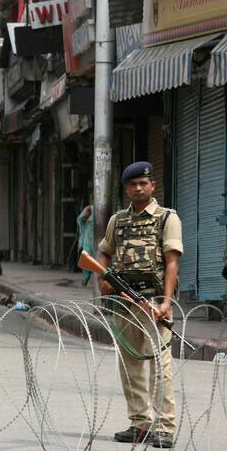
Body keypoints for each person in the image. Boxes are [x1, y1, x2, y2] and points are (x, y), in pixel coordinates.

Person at [97, 161, 181, 448]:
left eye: (143, 183)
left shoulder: (167, 218)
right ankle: (140, 423)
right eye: (133, 184)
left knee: (160, 364)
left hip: (154, 301)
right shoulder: (117, 220)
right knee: (130, 363)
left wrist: (167, 302)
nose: (138, 188)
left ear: (152, 185)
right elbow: (104, 253)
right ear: (126, 188)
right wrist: (103, 280)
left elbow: (172, 262)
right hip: (124, 303)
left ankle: (165, 427)